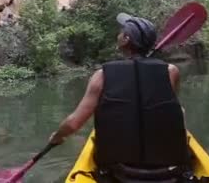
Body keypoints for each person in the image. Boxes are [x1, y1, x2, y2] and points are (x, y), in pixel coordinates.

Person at [49, 13, 188, 182]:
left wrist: (58, 136)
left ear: (126, 39)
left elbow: (73, 123)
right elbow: (174, 111)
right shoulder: (171, 72)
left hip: (118, 173)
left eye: (121, 31)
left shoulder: (102, 76)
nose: (119, 34)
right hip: (168, 171)